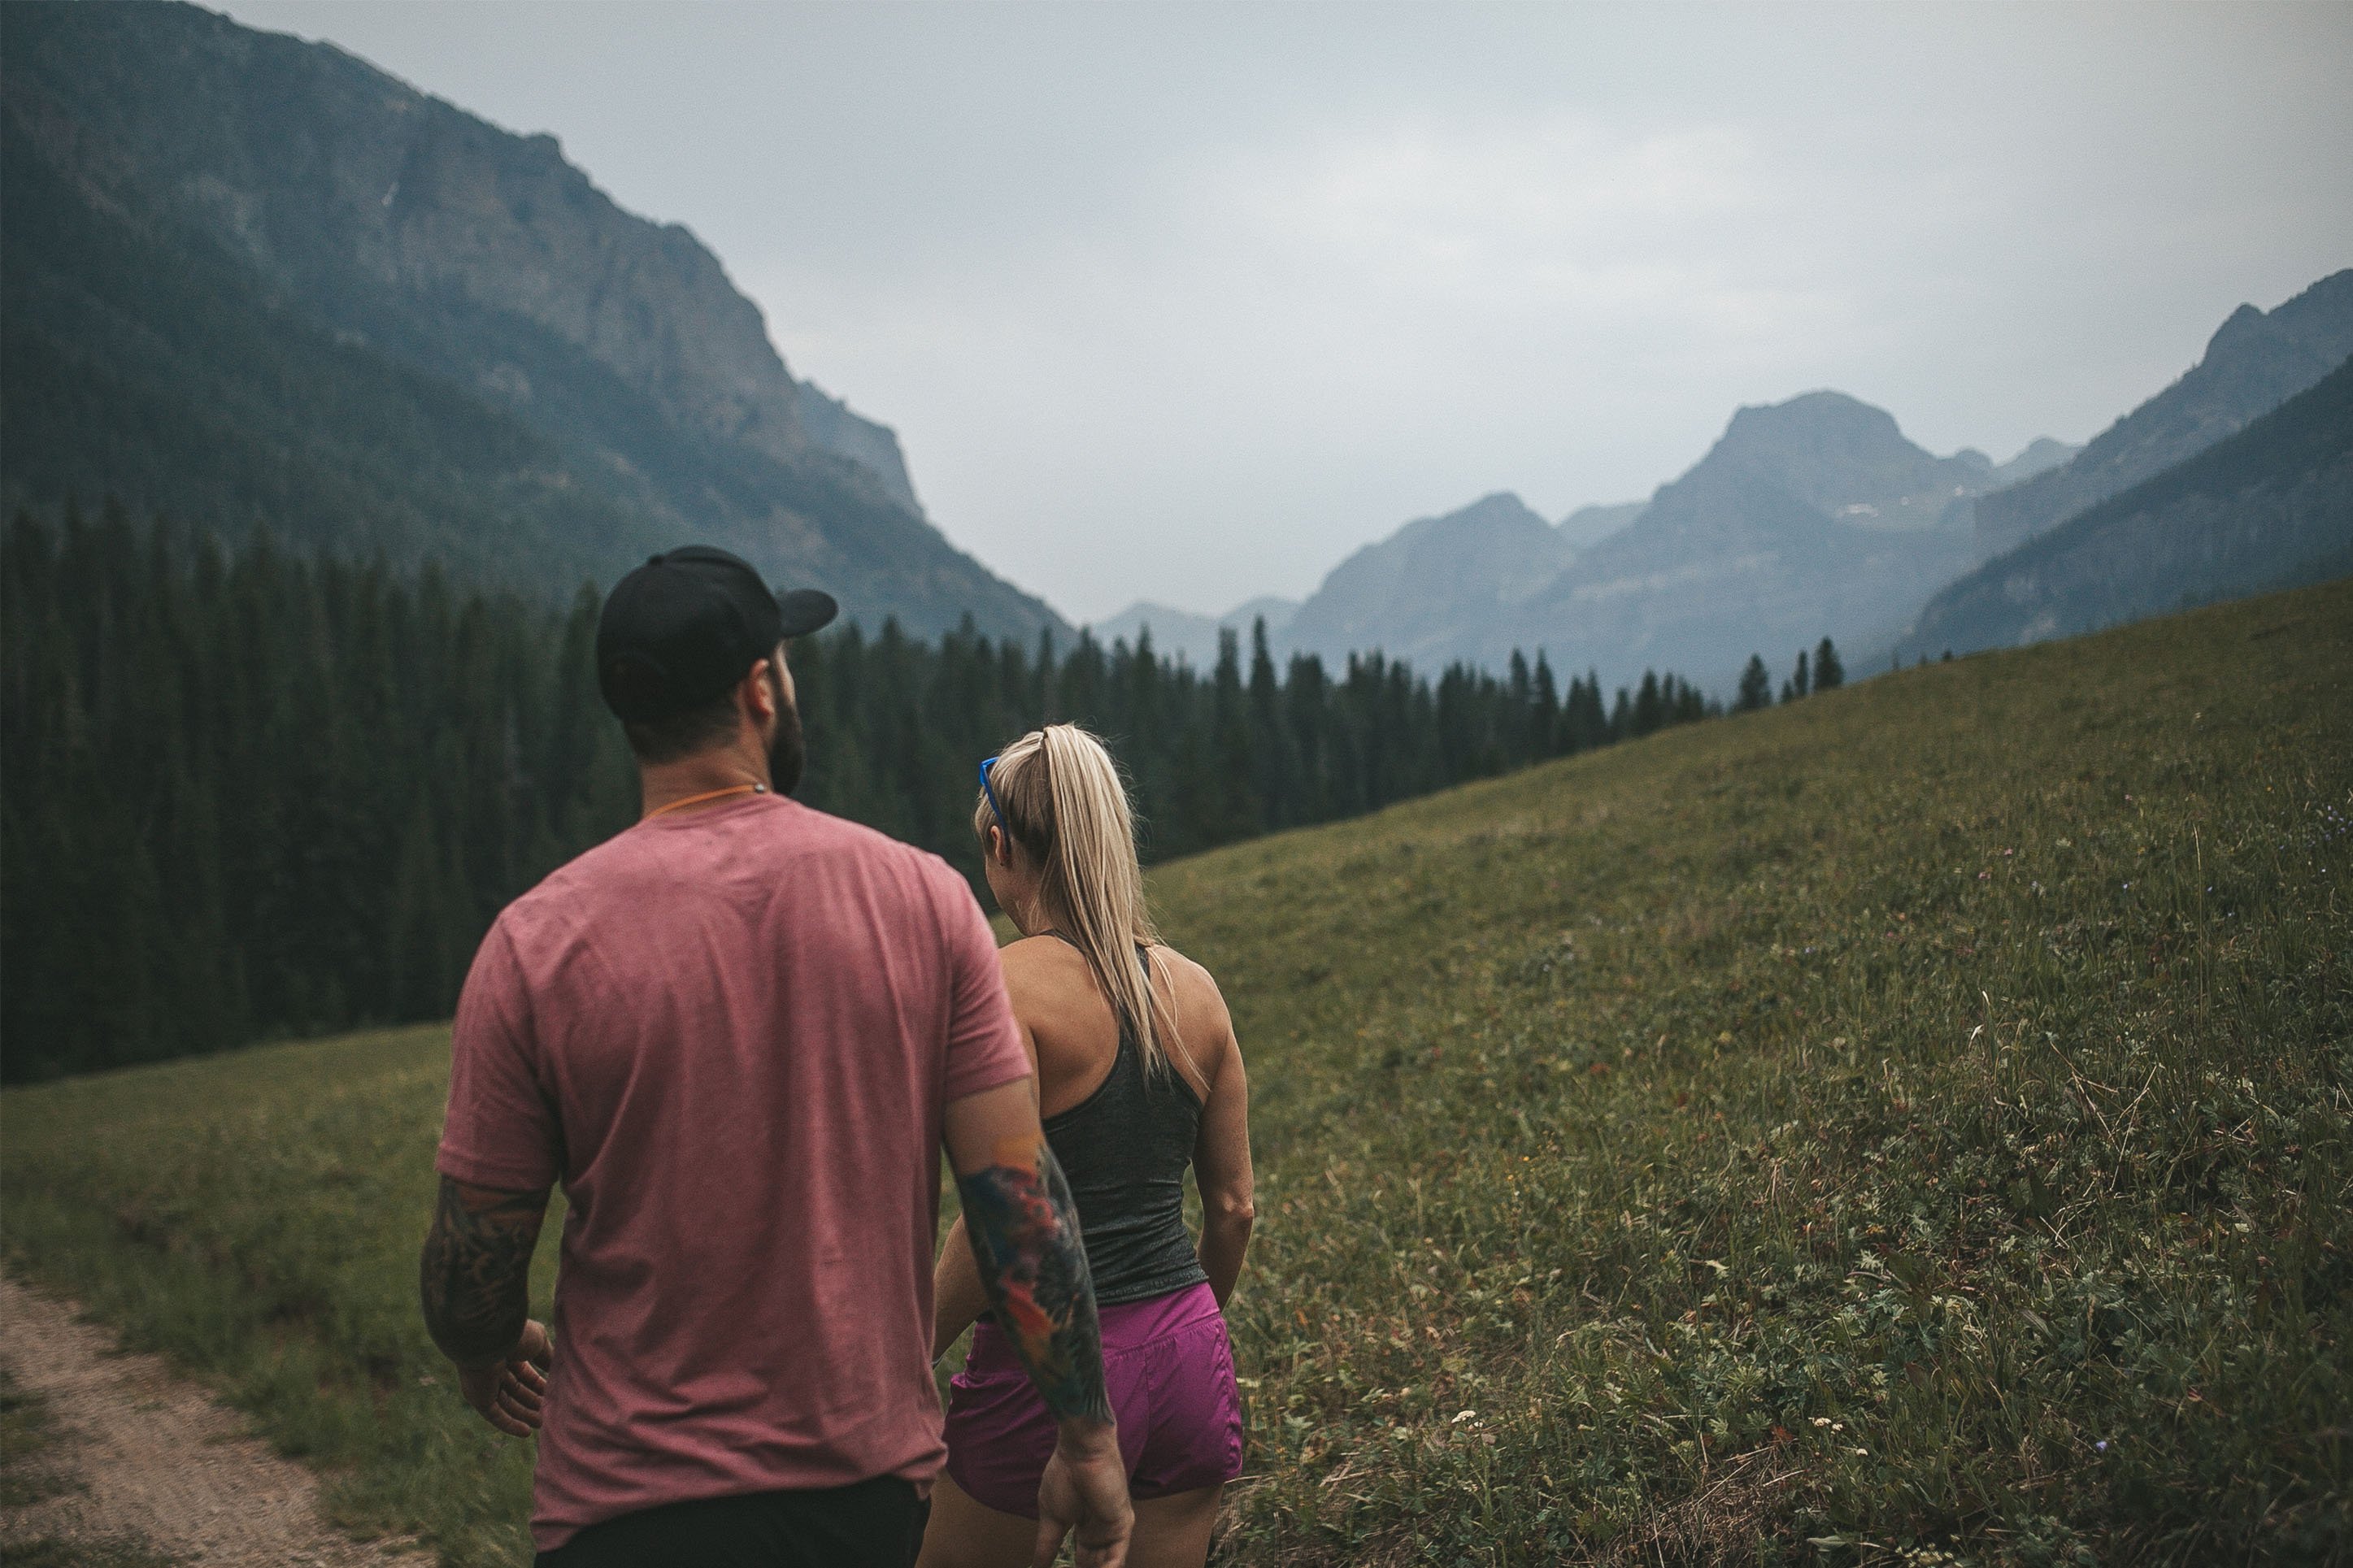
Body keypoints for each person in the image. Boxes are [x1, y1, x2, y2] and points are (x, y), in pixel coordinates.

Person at [415, 546, 1133, 1568]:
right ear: (760, 690)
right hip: (855, 1499)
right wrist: (1088, 1440)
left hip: (622, 1511)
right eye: (786, 668)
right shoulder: (922, 905)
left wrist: (488, 1349)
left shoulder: (534, 946)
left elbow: (468, 1272)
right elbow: (1018, 1205)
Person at [919, 725, 1254, 1568]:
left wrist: (905, 1350)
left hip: (1045, 1371)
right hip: (1186, 1349)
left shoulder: (1005, 983)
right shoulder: (1199, 992)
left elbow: (1000, 1221)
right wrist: (1181, 1330)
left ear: (1000, 844)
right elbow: (1233, 1210)